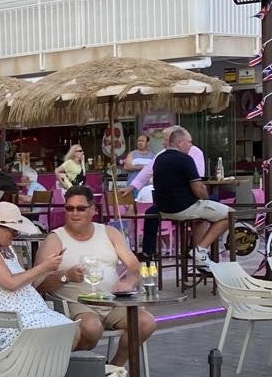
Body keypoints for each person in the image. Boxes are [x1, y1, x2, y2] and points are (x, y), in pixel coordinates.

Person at [35, 185, 154, 365]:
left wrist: (129, 282)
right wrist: (65, 276)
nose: (74, 213)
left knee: (146, 322)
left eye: (80, 208)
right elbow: (38, 284)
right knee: (91, 327)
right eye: (69, 208)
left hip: (112, 301)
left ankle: (113, 369)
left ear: (93, 210)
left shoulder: (109, 233)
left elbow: (134, 266)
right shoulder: (55, 239)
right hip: (76, 304)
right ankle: (72, 368)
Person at [0, 204, 69, 353]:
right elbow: (10, 283)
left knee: (71, 331)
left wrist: (48, 269)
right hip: (4, 319)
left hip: (28, 313)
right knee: (58, 335)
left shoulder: (8, 249)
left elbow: (27, 282)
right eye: (13, 231)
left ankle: (44, 373)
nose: (15, 236)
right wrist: (42, 267)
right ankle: (36, 373)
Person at [151, 126, 231, 269]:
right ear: (180, 142)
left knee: (204, 214)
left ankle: (202, 257)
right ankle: (201, 250)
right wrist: (206, 198)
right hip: (184, 208)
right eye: (189, 142)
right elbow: (198, 188)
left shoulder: (159, 159)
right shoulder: (185, 159)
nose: (190, 145)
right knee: (230, 214)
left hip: (164, 209)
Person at [131, 137, 207, 258]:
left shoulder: (193, 153)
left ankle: (199, 249)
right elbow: (147, 170)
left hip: (187, 198)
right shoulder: (162, 155)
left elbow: (198, 178)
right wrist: (132, 187)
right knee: (150, 213)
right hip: (169, 204)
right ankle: (148, 252)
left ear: (176, 141)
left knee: (210, 212)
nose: (163, 142)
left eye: (165, 139)